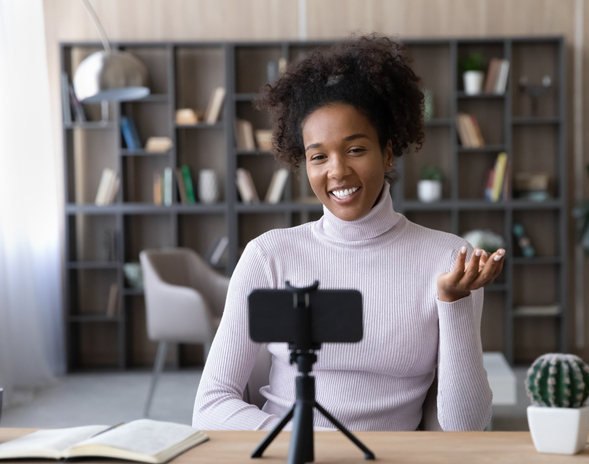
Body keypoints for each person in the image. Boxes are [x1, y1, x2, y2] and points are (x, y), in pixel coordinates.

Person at [193, 34, 505, 432]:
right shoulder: (268, 256)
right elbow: (210, 406)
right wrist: (309, 445)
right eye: (318, 156)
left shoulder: (448, 260)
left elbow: (466, 430)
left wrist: (454, 301)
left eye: (355, 149)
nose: (336, 171)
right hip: (288, 461)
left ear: (388, 153)